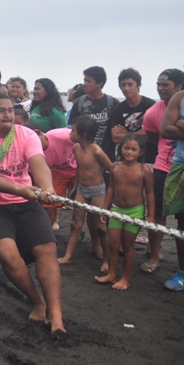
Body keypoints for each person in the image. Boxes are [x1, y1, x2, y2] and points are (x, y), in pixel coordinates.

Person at [0, 93, 64, 337]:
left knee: (47, 249)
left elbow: (39, 164)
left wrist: (47, 189)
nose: (8, 114)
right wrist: (21, 189)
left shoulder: (27, 134)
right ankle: (37, 301)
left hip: (26, 200)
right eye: (0, 110)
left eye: (10, 109)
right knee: (7, 255)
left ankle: (56, 313)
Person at [94, 133, 155, 290]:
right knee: (113, 244)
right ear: (120, 148)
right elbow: (111, 189)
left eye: (134, 149)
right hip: (116, 210)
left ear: (140, 152)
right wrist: (104, 210)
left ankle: (125, 278)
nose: (129, 152)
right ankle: (112, 274)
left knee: (128, 245)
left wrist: (151, 216)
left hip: (135, 212)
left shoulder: (144, 170)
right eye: (126, 148)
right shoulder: (115, 167)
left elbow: (149, 193)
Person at [141, 69, 184, 272]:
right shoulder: (153, 112)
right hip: (163, 166)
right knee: (157, 212)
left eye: (165, 85)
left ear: (178, 87)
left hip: (183, 167)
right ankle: (154, 254)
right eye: (158, 84)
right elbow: (152, 138)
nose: (160, 88)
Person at [58, 117, 113, 270]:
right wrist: (74, 187)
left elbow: (111, 168)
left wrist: (110, 193)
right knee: (75, 224)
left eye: (73, 130)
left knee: (100, 227)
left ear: (83, 134)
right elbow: (79, 169)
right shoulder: (76, 148)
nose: (70, 132)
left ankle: (107, 261)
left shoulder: (96, 150)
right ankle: (68, 256)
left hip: (97, 191)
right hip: (82, 189)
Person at [160, 88, 184, 291]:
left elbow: (174, 126)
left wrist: (183, 123)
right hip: (181, 166)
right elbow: (165, 129)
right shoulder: (181, 97)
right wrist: (177, 124)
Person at [68, 66, 119, 161]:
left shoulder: (112, 103)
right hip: (84, 156)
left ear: (100, 83)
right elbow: (73, 130)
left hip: (107, 154)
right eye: (84, 80)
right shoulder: (79, 103)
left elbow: (116, 131)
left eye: (88, 81)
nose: (84, 84)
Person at [109, 68, 156, 165]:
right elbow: (116, 138)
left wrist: (128, 134)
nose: (126, 88)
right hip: (127, 159)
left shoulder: (150, 105)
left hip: (150, 157)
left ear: (138, 85)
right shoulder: (118, 109)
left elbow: (152, 135)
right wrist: (140, 133)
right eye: (123, 85)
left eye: (130, 84)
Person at [35, 126, 77, 231]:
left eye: (35, 139)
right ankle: (47, 232)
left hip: (80, 168)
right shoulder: (34, 153)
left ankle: (80, 230)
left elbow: (84, 139)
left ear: (41, 135)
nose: (33, 143)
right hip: (59, 172)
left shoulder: (59, 135)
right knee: (49, 202)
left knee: (82, 202)